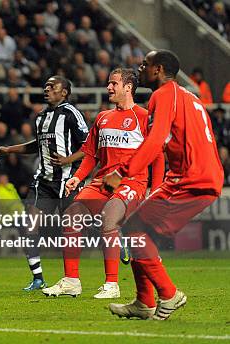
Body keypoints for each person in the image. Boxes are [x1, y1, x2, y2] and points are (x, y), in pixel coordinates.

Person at [103, 50, 223, 320]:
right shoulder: (189, 97)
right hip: (202, 174)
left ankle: (168, 294)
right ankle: (144, 302)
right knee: (138, 231)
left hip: (190, 178)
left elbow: (156, 140)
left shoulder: (163, 94)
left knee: (133, 229)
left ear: (158, 70)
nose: (141, 68)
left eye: (145, 65)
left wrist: (123, 172)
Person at [41, 68, 165, 298]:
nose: (109, 87)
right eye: (108, 83)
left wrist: (155, 190)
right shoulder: (103, 118)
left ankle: (112, 285)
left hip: (132, 181)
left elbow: (157, 156)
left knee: (110, 219)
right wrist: (78, 176)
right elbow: (91, 154)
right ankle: (71, 280)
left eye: (114, 83)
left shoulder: (144, 117)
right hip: (104, 182)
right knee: (72, 216)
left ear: (128, 87)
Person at [0, 76, 89, 292]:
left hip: (68, 181)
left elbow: (89, 146)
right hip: (43, 182)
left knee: (73, 229)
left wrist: (68, 160)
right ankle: (38, 278)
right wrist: (8, 149)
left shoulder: (71, 114)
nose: (46, 89)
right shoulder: (41, 117)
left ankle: (111, 246)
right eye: (45, 86)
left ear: (64, 92)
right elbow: (36, 145)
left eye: (52, 87)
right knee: (29, 226)